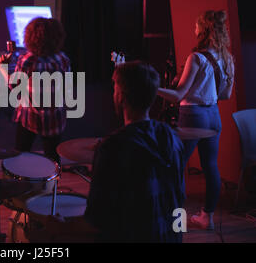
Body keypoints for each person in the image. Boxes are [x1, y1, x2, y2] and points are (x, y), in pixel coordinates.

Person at [45, 61, 185, 243]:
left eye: (115, 89)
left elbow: (95, 223)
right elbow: (179, 201)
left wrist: (60, 226)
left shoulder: (113, 148)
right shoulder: (172, 139)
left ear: (121, 97)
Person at [157, 10, 234, 230]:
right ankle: (206, 217)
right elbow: (226, 95)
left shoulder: (196, 58)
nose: (194, 29)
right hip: (213, 115)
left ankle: (175, 221)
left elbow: (178, 95)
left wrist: (152, 87)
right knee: (210, 166)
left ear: (203, 30)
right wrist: (206, 89)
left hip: (193, 116)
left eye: (196, 25)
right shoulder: (227, 58)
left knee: (176, 167)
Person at [0, 17, 71, 164]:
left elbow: (15, 87)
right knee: (53, 159)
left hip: (29, 116)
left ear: (30, 37)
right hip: (54, 117)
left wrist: (2, 68)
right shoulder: (63, 58)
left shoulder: (27, 59)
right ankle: (52, 186)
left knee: (20, 155)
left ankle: (22, 186)